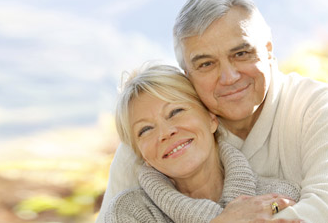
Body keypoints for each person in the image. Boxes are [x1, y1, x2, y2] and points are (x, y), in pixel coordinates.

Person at [98, 0, 328, 223]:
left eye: (241, 53)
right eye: (206, 64)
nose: (229, 77)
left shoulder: (315, 107)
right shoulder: (158, 139)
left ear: (268, 50)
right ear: (187, 73)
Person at [104, 64, 301, 222]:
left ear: (211, 118)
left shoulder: (277, 197)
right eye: (145, 129)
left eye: (175, 112)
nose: (165, 133)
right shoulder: (130, 212)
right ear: (141, 155)